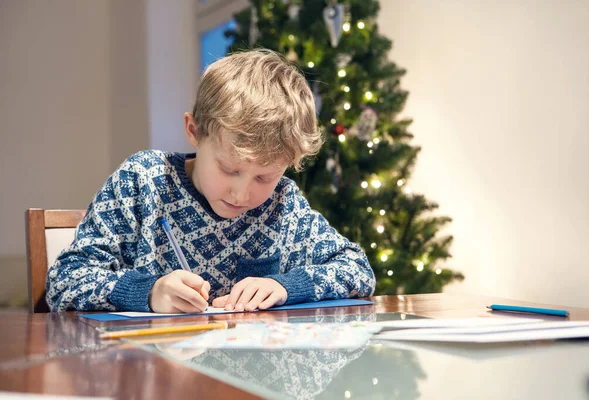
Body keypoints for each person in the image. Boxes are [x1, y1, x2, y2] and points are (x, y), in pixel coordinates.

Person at [46, 49, 375, 312]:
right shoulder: (143, 180)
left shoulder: (283, 204)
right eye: (229, 169)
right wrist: (148, 293)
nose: (241, 192)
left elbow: (357, 270)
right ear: (194, 131)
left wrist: (286, 286)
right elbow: (65, 280)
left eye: (265, 176)